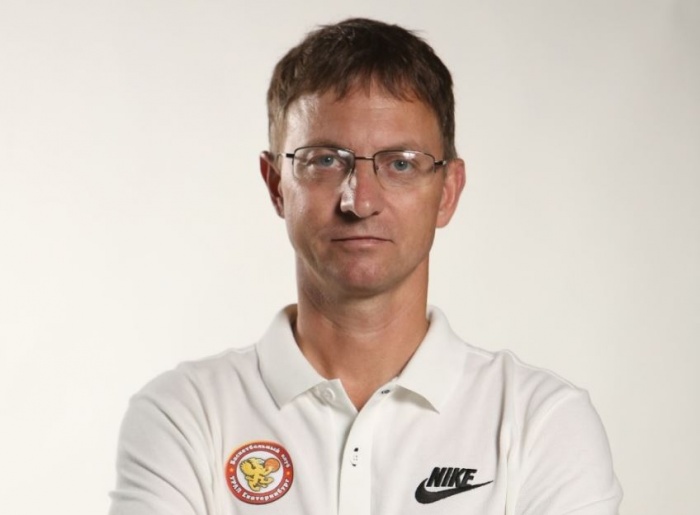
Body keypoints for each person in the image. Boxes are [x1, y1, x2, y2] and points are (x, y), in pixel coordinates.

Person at [109, 18, 622, 515]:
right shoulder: (185, 416)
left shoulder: (541, 422)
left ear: (448, 191)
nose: (360, 201)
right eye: (324, 160)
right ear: (276, 185)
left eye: (400, 163)